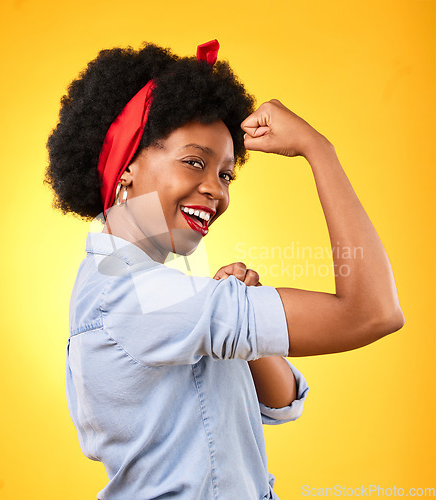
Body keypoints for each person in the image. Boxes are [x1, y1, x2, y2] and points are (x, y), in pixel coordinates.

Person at [44, 40, 405, 500]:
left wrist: (237, 328)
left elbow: (279, 402)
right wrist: (319, 149)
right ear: (127, 166)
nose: (216, 190)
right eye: (195, 162)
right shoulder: (138, 295)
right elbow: (373, 312)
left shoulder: (143, 285)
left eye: (226, 174)